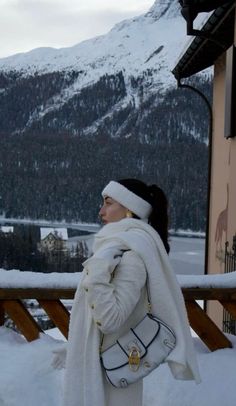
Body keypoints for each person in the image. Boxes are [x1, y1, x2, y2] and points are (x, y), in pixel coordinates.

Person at [61, 179, 200, 406]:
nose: (101, 211)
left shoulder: (131, 256)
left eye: (108, 203)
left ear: (129, 209)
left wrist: (96, 272)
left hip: (110, 375)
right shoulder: (117, 249)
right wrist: (75, 344)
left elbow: (110, 320)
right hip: (102, 365)